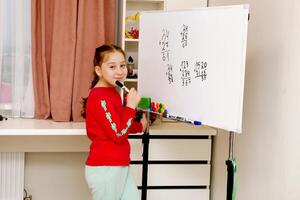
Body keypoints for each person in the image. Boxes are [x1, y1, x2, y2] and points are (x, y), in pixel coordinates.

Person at [82, 44, 147, 200]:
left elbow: (119, 124)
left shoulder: (112, 92)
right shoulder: (99, 98)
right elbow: (118, 134)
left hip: (119, 165)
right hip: (106, 168)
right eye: (112, 67)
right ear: (99, 71)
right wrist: (130, 106)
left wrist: (140, 126)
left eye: (122, 65)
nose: (119, 71)